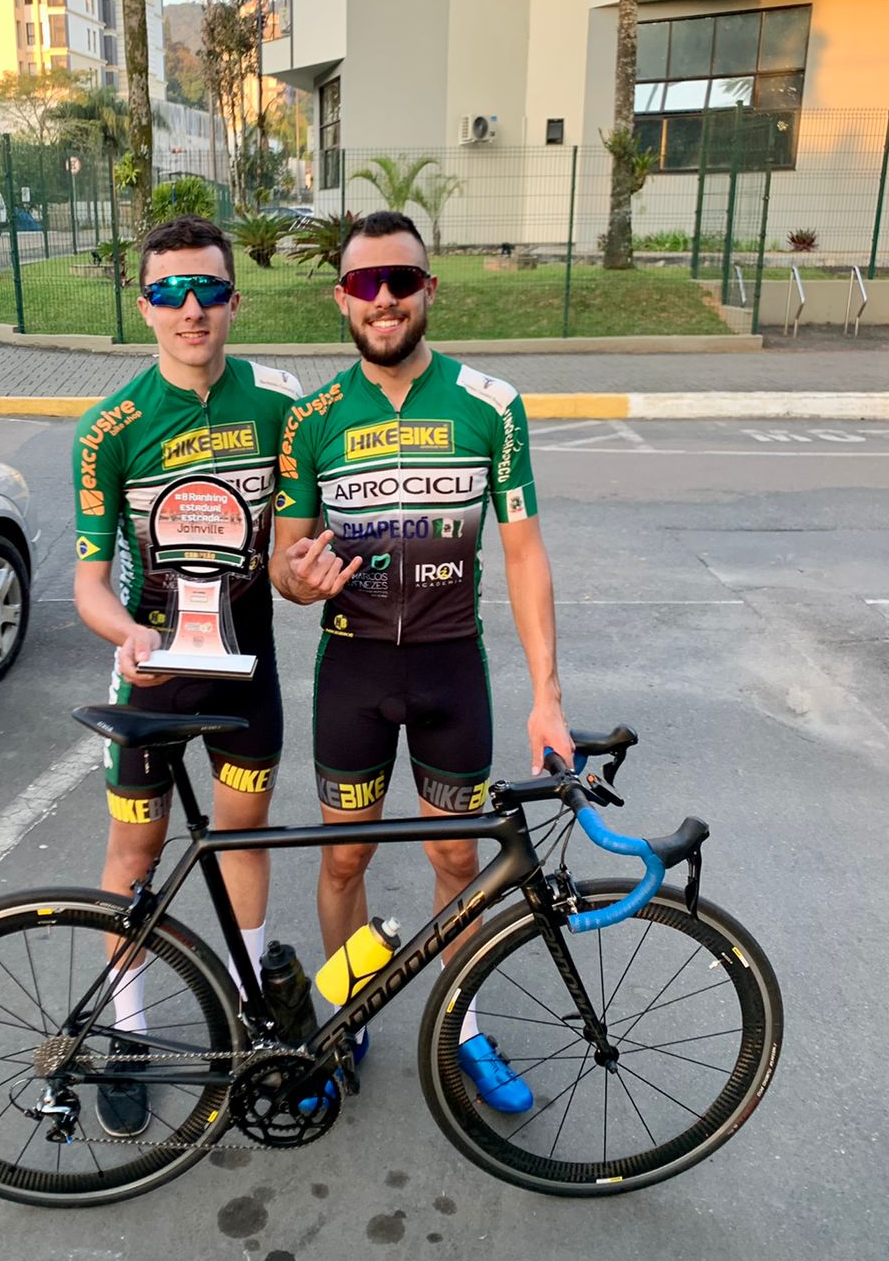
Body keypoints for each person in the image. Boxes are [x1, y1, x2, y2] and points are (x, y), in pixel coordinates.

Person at [271, 209, 574, 1112]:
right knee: (343, 860)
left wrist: (547, 697)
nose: (384, 299)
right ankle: (345, 1021)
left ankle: (463, 1025)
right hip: (353, 671)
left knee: (454, 857)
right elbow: (286, 564)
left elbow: (524, 553)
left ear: (428, 290)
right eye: (365, 284)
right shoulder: (313, 419)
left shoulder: (490, 404)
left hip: (450, 670)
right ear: (342, 299)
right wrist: (299, 582)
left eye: (401, 280)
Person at [73, 214, 300, 1136]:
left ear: (234, 300)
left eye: (207, 288)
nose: (191, 308)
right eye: (169, 292)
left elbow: (298, 539)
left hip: (249, 672)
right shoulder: (111, 428)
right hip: (154, 679)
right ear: (145, 307)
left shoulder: (279, 404)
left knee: (242, 839)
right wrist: (127, 633)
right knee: (136, 854)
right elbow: (88, 584)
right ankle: (124, 1034)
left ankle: (249, 1011)